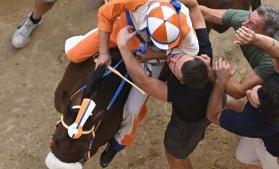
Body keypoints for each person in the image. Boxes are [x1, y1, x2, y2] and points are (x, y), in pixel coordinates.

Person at [64, 0, 201, 167]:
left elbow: (183, 53)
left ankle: (118, 143)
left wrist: (153, 56)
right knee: (74, 54)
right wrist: (103, 52)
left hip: (151, 56)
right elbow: (105, 14)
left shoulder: (187, 31)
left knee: (132, 109)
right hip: (121, 32)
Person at [114, 1, 214, 168]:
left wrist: (123, 47)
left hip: (188, 123)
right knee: (221, 101)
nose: (172, 59)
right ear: (199, 58)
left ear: (182, 82)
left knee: (174, 156)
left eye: (174, 65)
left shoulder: (183, 93)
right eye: (179, 57)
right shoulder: (205, 52)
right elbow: (195, 7)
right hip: (212, 97)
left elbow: (143, 81)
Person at [207, 27, 279, 169]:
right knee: (242, 155)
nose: (247, 92)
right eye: (256, 89)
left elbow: (213, 115)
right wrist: (255, 38)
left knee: (249, 160)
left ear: (260, 112)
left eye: (251, 98)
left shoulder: (253, 124)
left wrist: (220, 82)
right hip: (276, 135)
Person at [199, 4, 279, 109]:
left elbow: (239, 91)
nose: (243, 24)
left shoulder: (270, 61)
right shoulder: (244, 19)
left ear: (266, 34)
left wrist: (209, 71)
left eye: (252, 26)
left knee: (261, 103)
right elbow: (204, 12)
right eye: (249, 17)